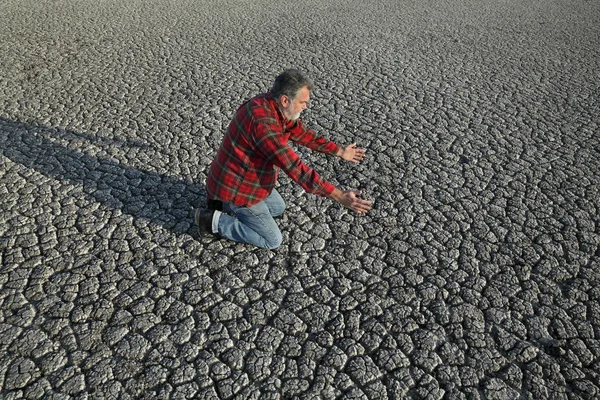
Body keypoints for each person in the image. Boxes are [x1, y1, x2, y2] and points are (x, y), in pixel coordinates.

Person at [196, 69, 372, 249]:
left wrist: (340, 151)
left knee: (278, 208)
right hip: (239, 188)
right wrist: (339, 195)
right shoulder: (263, 125)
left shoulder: (270, 105)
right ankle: (211, 220)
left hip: (237, 177)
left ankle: (220, 202)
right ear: (285, 100)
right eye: (302, 102)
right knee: (272, 240)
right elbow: (296, 168)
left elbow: (302, 133)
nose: (305, 106)